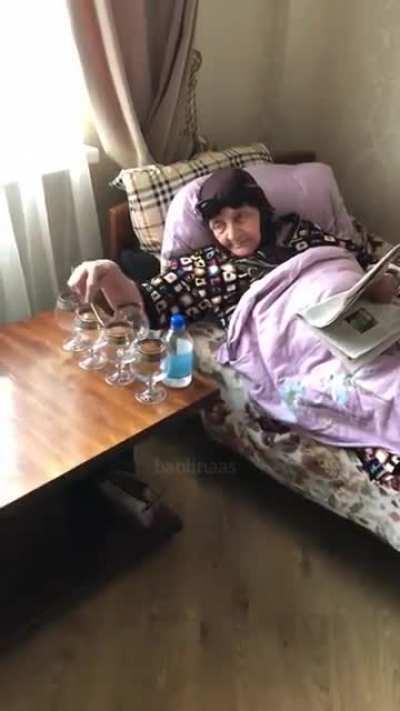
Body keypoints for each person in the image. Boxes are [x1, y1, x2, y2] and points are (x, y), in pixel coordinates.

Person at [69, 168, 398, 328]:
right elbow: (146, 306)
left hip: (357, 325)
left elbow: (355, 262)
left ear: (261, 212)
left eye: (241, 217)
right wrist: (110, 274)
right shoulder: (204, 268)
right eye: (218, 225)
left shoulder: (298, 231)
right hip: (296, 342)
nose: (232, 233)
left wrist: (380, 281)